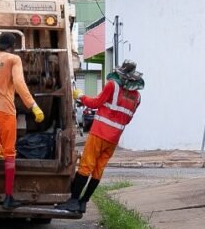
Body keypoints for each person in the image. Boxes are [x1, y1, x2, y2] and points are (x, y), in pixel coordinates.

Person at [58, 59, 144, 214]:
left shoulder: (112, 85)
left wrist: (80, 96)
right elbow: (128, 119)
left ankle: (73, 201)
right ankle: (84, 202)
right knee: (98, 169)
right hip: (113, 139)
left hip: (99, 133)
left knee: (86, 165)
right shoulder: (137, 97)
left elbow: (95, 103)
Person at [0, 32, 45, 210]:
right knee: (9, 153)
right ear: (13, 45)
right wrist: (33, 105)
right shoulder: (14, 59)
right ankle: (8, 198)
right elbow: (19, 83)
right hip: (5, 110)